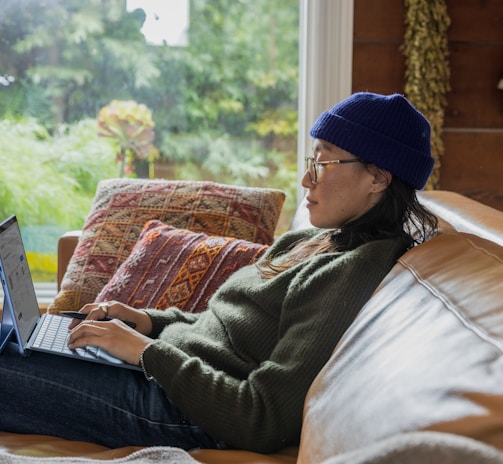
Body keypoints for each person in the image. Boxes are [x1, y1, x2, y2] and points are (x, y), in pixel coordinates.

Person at [0, 92, 438, 454]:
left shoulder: (354, 271)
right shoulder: (308, 241)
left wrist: (146, 352)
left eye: (324, 163)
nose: (307, 180)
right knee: (21, 335)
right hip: (162, 373)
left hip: (182, 411)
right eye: (312, 159)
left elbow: (263, 418)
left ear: (378, 178)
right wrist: (147, 322)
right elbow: (223, 330)